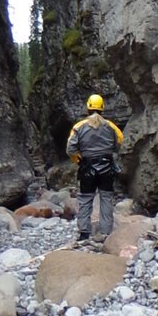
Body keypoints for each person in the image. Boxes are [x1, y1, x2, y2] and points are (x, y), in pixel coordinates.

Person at [65, 93, 124, 241]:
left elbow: (70, 149)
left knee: (85, 199)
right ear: (102, 108)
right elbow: (119, 142)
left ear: (88, 108)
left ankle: (84, 233)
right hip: (107, 166)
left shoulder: (79, 127)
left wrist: (79, 160)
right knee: (106, 198)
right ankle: (106, 232)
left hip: (87, 167)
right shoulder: (111, 126)